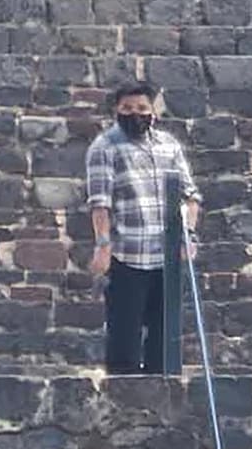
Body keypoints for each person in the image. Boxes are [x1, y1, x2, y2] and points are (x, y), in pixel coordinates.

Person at [85, 82, 202, 374]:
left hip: (166, 256)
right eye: (127, 109)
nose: (134, 114)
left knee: (165, 338)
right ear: (116, 111)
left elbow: (190, 196)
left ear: (153, 112)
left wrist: (189, 234)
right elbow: (100, 202)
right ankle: (124, 406)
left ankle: (163, 401)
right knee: (125, 337)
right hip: (128, 256)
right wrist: (102, 245)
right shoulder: (105, 147)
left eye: (141, 109)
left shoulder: (168, 146)